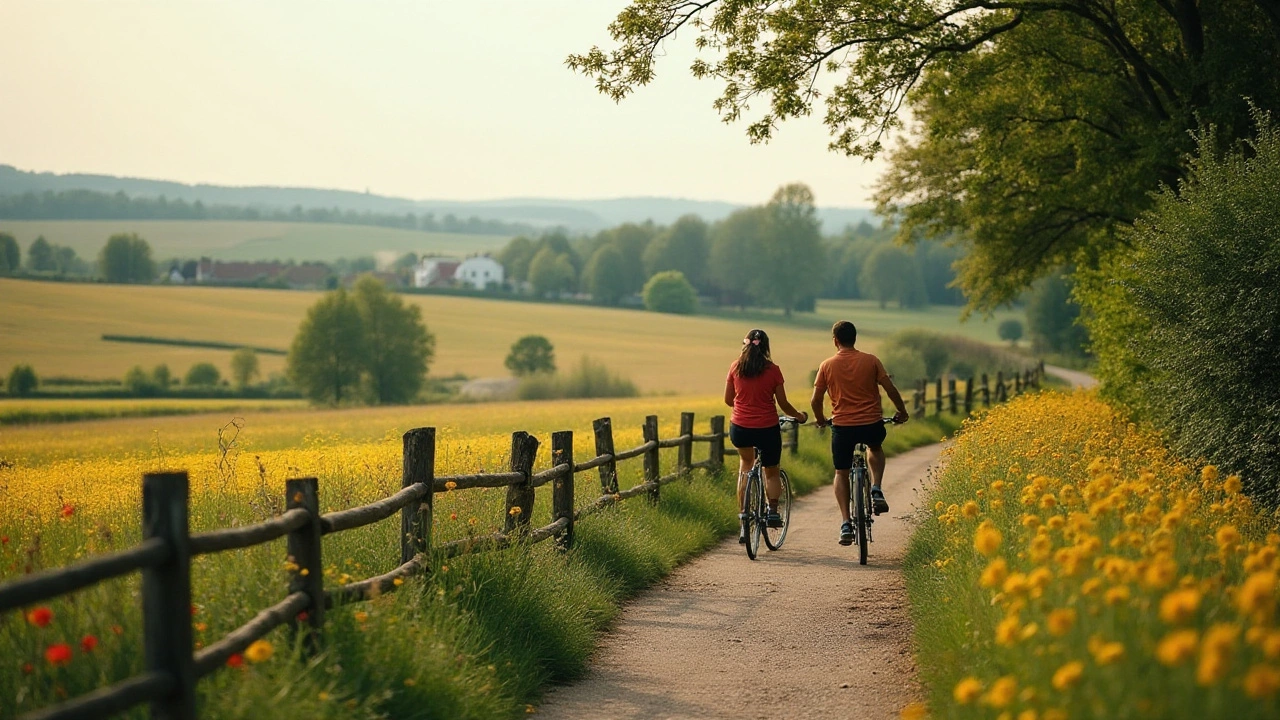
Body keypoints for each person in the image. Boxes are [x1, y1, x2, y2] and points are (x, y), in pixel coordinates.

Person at [810, 320, 908, 546]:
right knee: (875, 447)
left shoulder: (826, 365)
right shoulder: (871, 360)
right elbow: (890, 389)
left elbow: (816, 400)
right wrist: (902, 411)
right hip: (871, 423)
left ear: (835, 340)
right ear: (855, 338)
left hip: (843, 427)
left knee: (841, 472)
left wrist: (821, 420)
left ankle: (846, 523)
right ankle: (876, 489)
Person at [725, 328, 808, 541]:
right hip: (766, 429)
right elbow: (783, 403)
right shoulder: (773, 370)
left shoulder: (735, 367)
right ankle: (772, 511)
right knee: (771, 471)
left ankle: (744, 516)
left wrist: (744, 404)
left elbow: (728, 400)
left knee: (745, 465)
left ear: (745, 344)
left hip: (740, 428)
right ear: (766, 346)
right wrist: (798, 415)